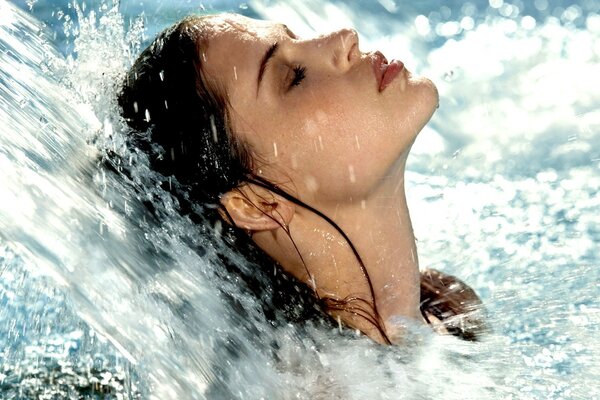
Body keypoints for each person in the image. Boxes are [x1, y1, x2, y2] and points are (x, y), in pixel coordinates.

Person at [118, 13, 486, 344]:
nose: (345, 37)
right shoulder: (319, 387)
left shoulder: (447, 305)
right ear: (257, 204)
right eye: (294, 77)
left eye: (296, 38)